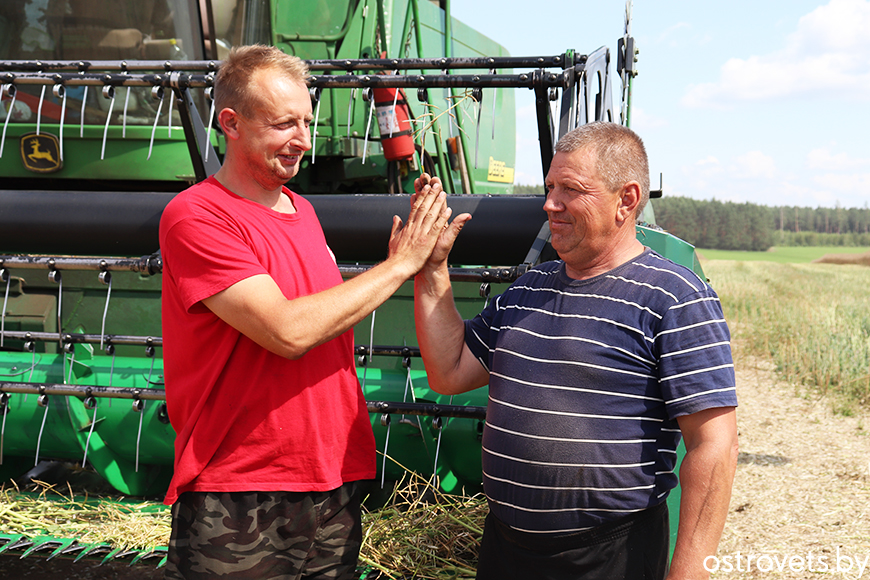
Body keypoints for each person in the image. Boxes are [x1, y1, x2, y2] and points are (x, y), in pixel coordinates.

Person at [158, 44, 452, 579]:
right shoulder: (197, 216)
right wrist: (399, 266)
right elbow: (287, 332)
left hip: (331, 481)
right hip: (240, 491)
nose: (303, 140)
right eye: (283, 124)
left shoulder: (305, 212)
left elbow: (325, 320)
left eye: (307, 122)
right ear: (231, 123)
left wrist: (424, 263)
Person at [414, 122, 739, 580]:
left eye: (571, 189)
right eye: (549, 187)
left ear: (626, 200)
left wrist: (689, 573)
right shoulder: (528, 289)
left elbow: (715, 446)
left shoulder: (674, 297)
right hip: (505, 548)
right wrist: (431, 270)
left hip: (608, 554)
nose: (550, 204)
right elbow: (448, 372)